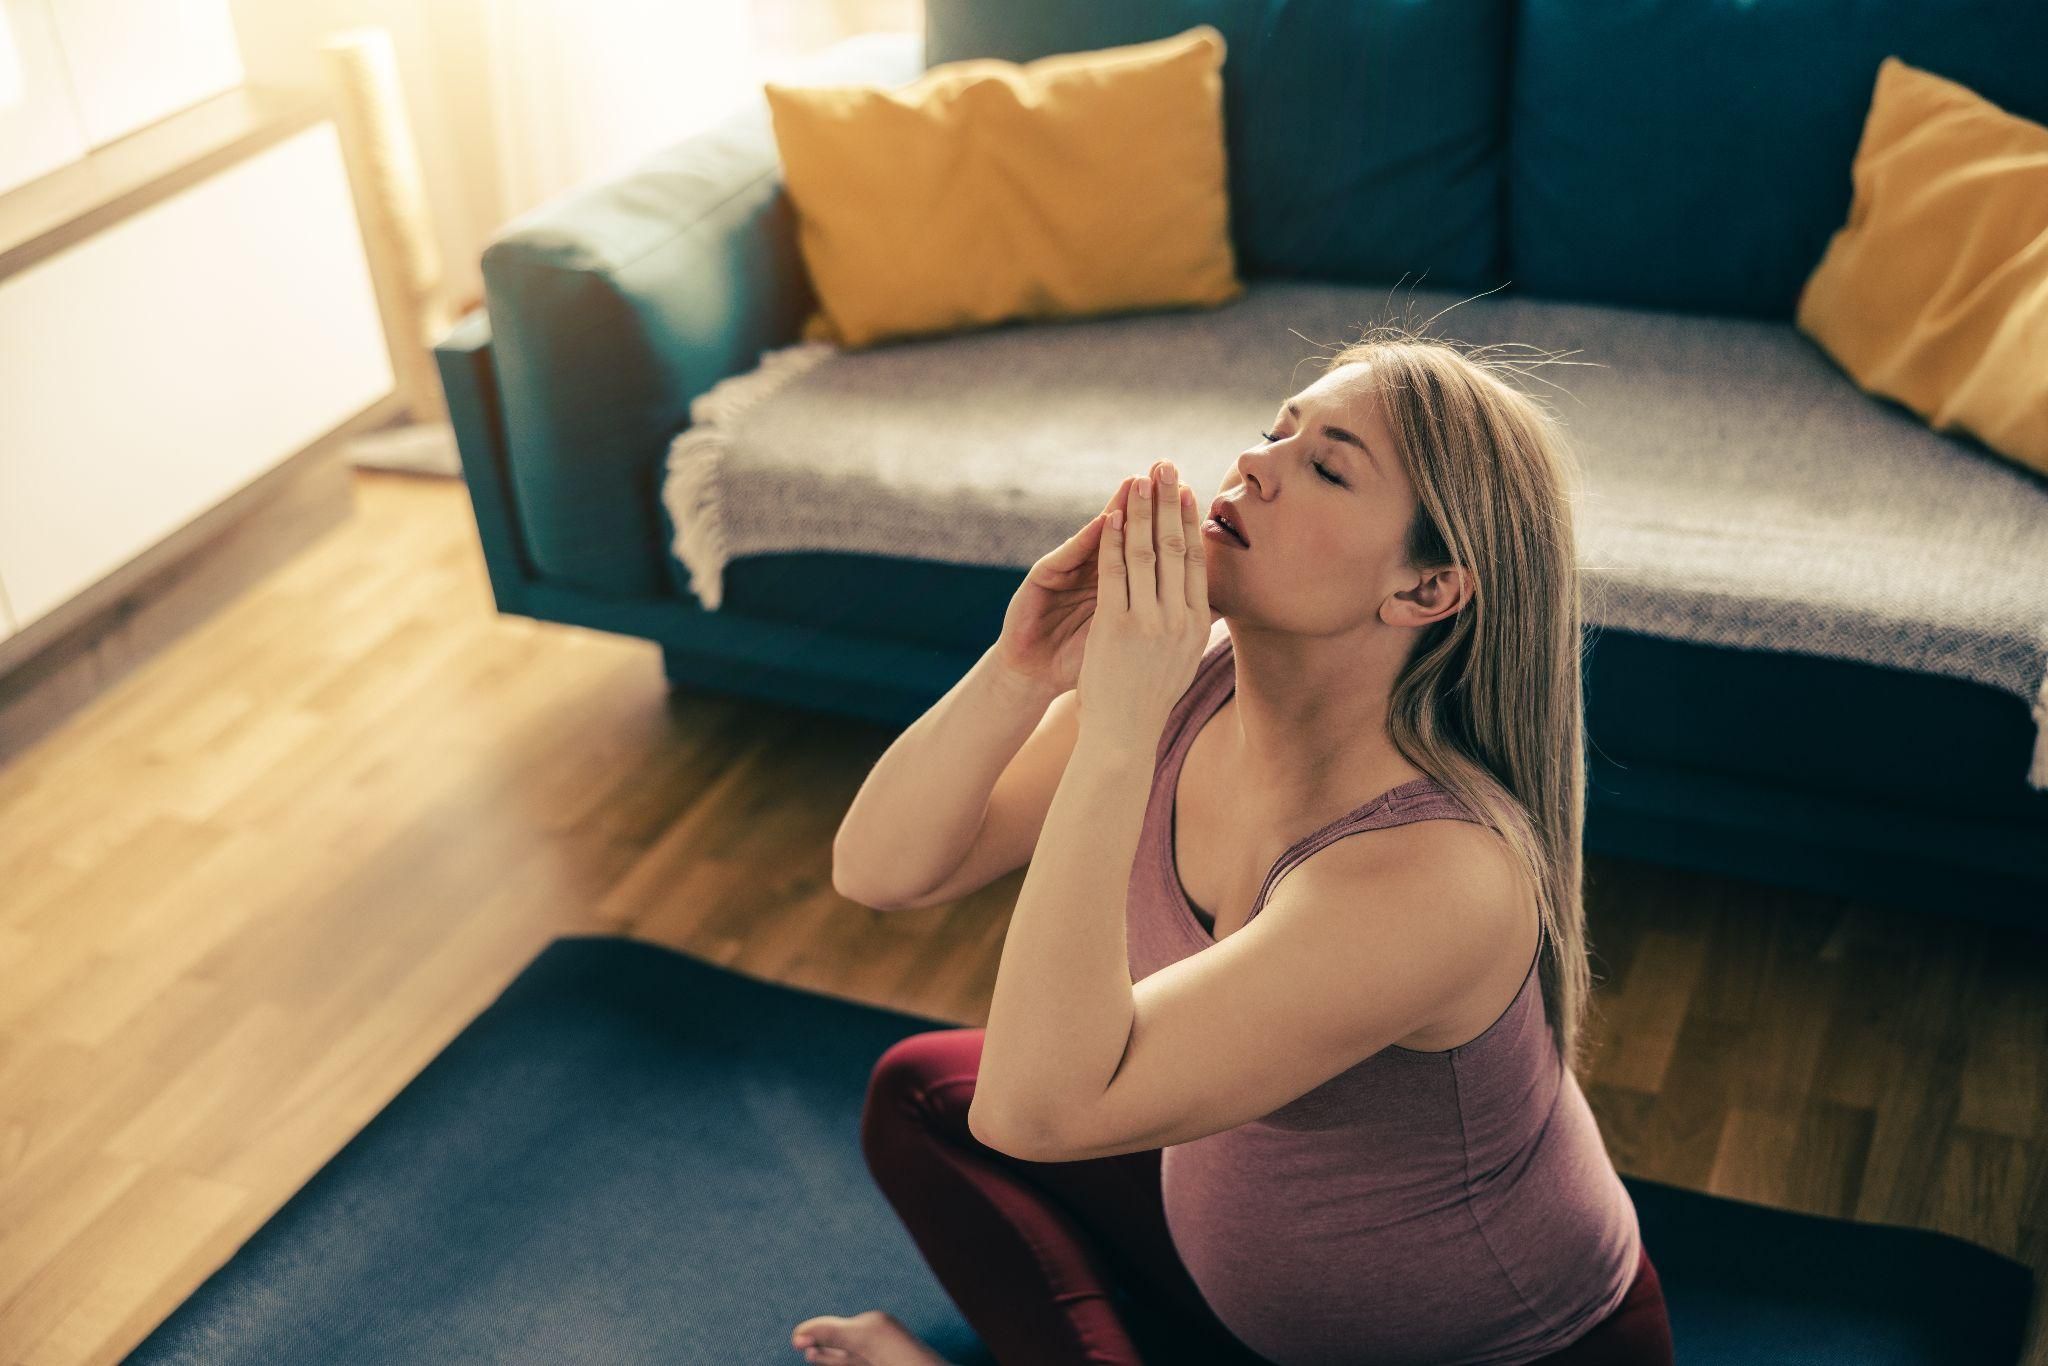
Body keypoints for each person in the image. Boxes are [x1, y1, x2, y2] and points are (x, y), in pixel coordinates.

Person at [798, 323, 1676, 1366]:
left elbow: (1037, 1109)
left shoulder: (1437, 875)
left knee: (1017, 1101)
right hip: (1227, 1254)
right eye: (1273, 429)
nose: (1254, 463)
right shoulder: (1196, 676)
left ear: (1423, 591)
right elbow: (881, 869)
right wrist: (1018, 666)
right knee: (921, 1097)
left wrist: (1118, 735)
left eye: (1323, 467)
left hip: (1506, 1355)